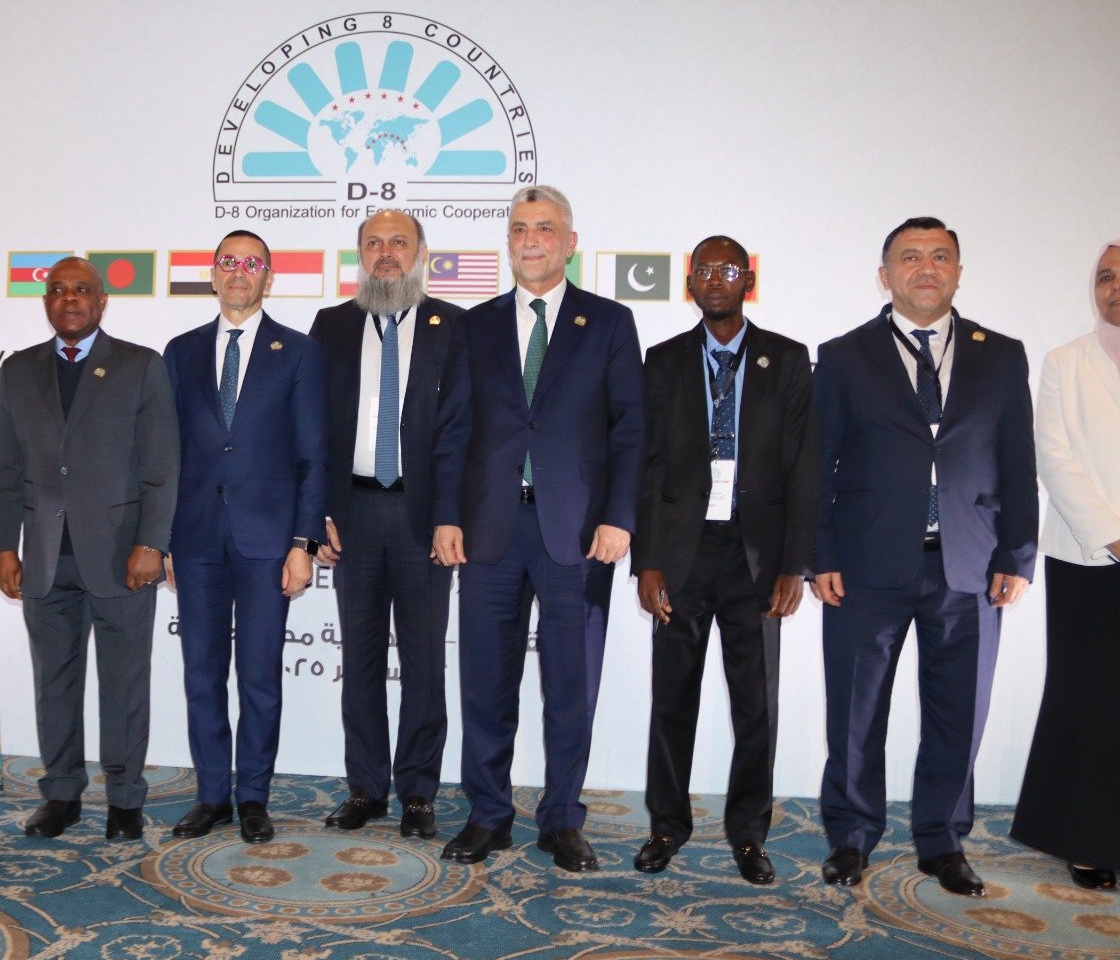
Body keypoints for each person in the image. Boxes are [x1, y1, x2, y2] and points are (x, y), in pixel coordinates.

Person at [813, 216, 1036, 896]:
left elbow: (1018, 463)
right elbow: (816, 465)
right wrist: (820, 554)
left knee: (958, 713)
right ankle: (852, 836)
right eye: (910, 257)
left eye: (941, 256)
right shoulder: (843, 355)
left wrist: (1017, 554)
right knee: (855, 712)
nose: (926, 267)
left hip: (969, 563)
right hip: (865, 565)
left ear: (959, 272)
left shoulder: (1001, 355)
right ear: (885, 276)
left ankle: (942, 840)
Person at [436, 185, 644, 870]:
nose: (532, 240)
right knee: (485, 684)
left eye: (546, 228)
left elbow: (629, 430)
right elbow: (453, 429)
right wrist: (447, 515)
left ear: (570, 243)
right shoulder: (474, 325)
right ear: (508, 242)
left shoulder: (608, 322)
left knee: (571, 686)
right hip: (490, 531)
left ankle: (562, 819)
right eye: (521, 229)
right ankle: (488, 815)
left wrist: (618, 517)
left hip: (577, 535)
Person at [630, 237, 818, 885]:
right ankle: (666, 826)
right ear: (689, 284)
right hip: (681, 555)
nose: (716, 279)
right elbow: (648, 468)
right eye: (704, 270)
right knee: (671, 700)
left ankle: (748, 834)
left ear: (748, 281)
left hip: (756, 558)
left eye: (728, 269)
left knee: (755, 707)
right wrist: (647, 561)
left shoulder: (787, 360)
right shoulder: (662, 361)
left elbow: (804, 467)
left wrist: (794, 565)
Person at [0, 256, 178, 841]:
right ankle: (62, 794)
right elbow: (6, 469)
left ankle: (125, 800)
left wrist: (152, 543)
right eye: (58, 289)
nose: (69, 298)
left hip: (122, 558)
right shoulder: (19, 371)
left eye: (81, 290)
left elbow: (162, 467)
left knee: (124, 684)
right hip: (45, 558)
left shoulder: (140, 366)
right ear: (46, 301)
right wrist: (4, 547)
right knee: (54, 683)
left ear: (101, 302)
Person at [308, 210, 468, 839]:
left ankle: (419, 792)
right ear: (360, 255)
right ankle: (367, 788)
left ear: (421, 254)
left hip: (421, 517)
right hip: (351, 513)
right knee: (361, 657)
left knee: (425, 662)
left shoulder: (453, 325)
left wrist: (449, 516)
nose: (386, 253)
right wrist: (317, 517)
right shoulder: (331, 326)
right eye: (373, 243)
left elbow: (460, 433)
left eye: (399, 242)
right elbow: (314, 430)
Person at [164, 229, 326, 844]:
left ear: (268, 277)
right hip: (196, 539)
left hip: (268, 541)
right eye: (228, 262)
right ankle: (211, 795)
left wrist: (303, 543)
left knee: (259, 678)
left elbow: (313, 456)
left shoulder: (299, 352)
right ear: (212, 274)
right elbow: (166, 455)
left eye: (251, 263)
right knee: (201, 675)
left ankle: (253, 795)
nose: (239, 271)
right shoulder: (180, 351)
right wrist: (164, 539)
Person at [1010, 238, 1120, 891]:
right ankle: (1085, 839)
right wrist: (1113, 535)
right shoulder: (1064, 362)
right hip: (1088, 556)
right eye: (1105, 276)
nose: (1114, 287)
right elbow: (1053, 456)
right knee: (1088, 698)